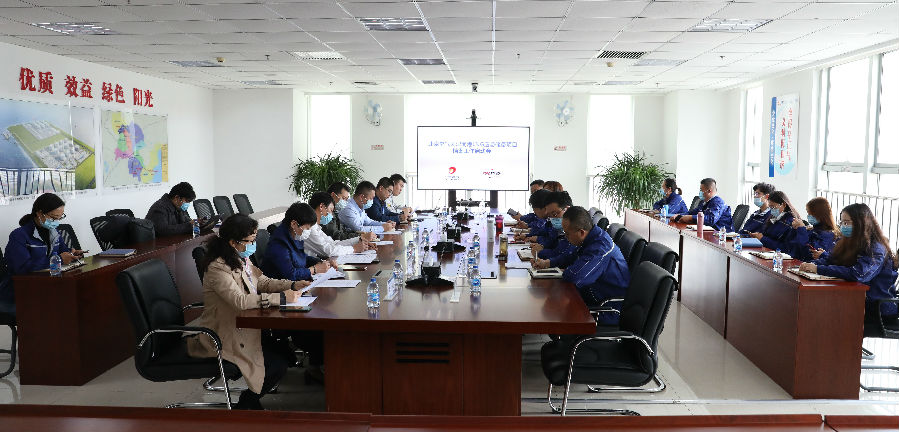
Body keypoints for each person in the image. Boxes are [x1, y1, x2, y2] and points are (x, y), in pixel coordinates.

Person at [186, 214, 305, 410]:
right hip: (223, 335)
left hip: (243, 328)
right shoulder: (217, 267)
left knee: (285, 355)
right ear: (233, 242)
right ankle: (246, 405)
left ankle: (250, 402)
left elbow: (263, 282)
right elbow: (239, 301)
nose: (253, 245)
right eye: (250, 241)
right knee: (276, 365)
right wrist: (281, 298)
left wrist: (291, 284)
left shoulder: (240, 259)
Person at [799, 203, 898, 330]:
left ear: (861, 223)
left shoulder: (876, 248)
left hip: (877, 308)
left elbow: (859, 274)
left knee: (824, 314)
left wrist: (818, 269)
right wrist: (811, 265)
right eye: (842, 222)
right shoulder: (849, 241)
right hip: (856, 300)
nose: (843, 226)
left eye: (847, 222)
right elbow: (832, 260)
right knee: (817, 308)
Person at [535, 207, 629, 323]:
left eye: (567, 234)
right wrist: (547, 263)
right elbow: (570, 256)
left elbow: (575, 277)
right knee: (549, 305)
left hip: (606, 309)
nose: (566, 237)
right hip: (591, 296)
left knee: (551, 312)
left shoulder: (599, 249)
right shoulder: (591, 238)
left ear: (581, 232)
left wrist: (566, 270)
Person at [2, 193, 85, 315]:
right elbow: (22, 268)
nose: (56, 222)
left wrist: (71, 254)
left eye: (60, 218)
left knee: (78, 301)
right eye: (54, 218)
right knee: (60, 309)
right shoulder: (19, 235)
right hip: (20, 292)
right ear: (40, 214)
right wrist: (59, 259)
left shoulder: (54, 232)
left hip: (46, 286)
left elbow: (62, 251)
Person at [262, 203, 331, 282]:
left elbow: (302, 258)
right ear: (294, 224)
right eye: (307, 228)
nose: (308, 231)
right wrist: (314, 269)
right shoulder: (278, 244)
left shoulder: (294, 235)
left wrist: (322, 263)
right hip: (281, 286)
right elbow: (290, 274)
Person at [304, 191, 373, 258]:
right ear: (321, 206)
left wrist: (359, 240)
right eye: (331, 210)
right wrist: (354, 249)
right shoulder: (309, 227)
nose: (331, 215)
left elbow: (333, 243)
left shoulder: (315, 226)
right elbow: (328, 251)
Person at [783, 197, 838, 262]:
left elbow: (809, 253)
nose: (809, 216)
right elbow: (789, 246)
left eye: (811, 214)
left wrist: (801, 229)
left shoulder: (828, 235)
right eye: (808, 213)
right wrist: (794, 230)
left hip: (810, 265)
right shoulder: (811, 229)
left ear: (820, 214)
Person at [531, 192, 577, 268]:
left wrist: (541, 253)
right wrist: (542, 246)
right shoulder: (560, 228)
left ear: (567, 209)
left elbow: (563, 256)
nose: (553, 219)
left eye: (555, 214)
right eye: (550, 216)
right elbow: (552, 243)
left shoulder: (576, 230)